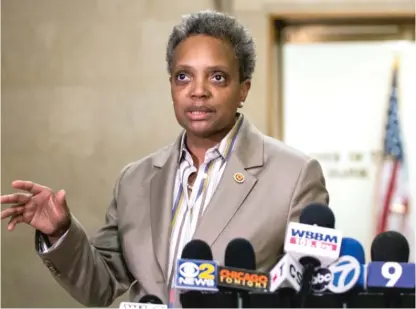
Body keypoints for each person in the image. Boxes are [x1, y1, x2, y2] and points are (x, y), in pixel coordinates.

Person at [1, 10, 329, 307]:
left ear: (243, 89)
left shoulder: (294, 175)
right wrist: (61, 233)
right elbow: (100, 287)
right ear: (171, 85)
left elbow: (310, 294)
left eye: (217, 77)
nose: (198, 91)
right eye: (183, 76)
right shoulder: (135, 179)